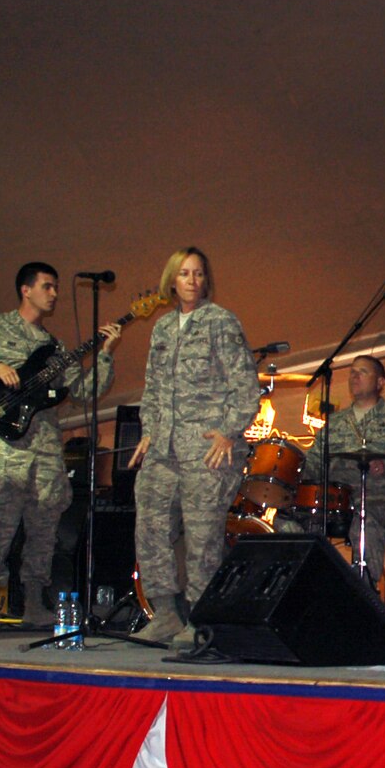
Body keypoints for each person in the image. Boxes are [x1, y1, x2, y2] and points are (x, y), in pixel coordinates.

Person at [0, 262, 121, 629]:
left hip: (46, 445)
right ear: (26, 289)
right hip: (8, 442)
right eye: (47, 287)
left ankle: (34, 600)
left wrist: (107, 353)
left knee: (45, 523)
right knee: (0, 519)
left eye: (55, 288)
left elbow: (84, 392)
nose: (54, 294)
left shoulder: (56, 347)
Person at [126, 247, 259, 648]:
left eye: (199, 274)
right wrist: (148, 430)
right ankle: (165, 613)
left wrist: (228, 431)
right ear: (172, 280)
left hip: (206, 450)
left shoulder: (220, 322)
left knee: (202, 539)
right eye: (184, 274)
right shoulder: (163, 328)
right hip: (163, 448)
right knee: (150, 526)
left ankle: (202, 620)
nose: (192, 281)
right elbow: (151, 389)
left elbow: (246, 387)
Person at [296, 354, 385, 587]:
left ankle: (363, 589)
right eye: (352, 372)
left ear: (380, 382)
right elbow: (313, 463)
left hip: (380, 495)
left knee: (365, 517)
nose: (354, 376)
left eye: (363, 372)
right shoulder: (335, 423)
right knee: (290, 521)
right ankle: (308, 586)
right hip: (336, 497)